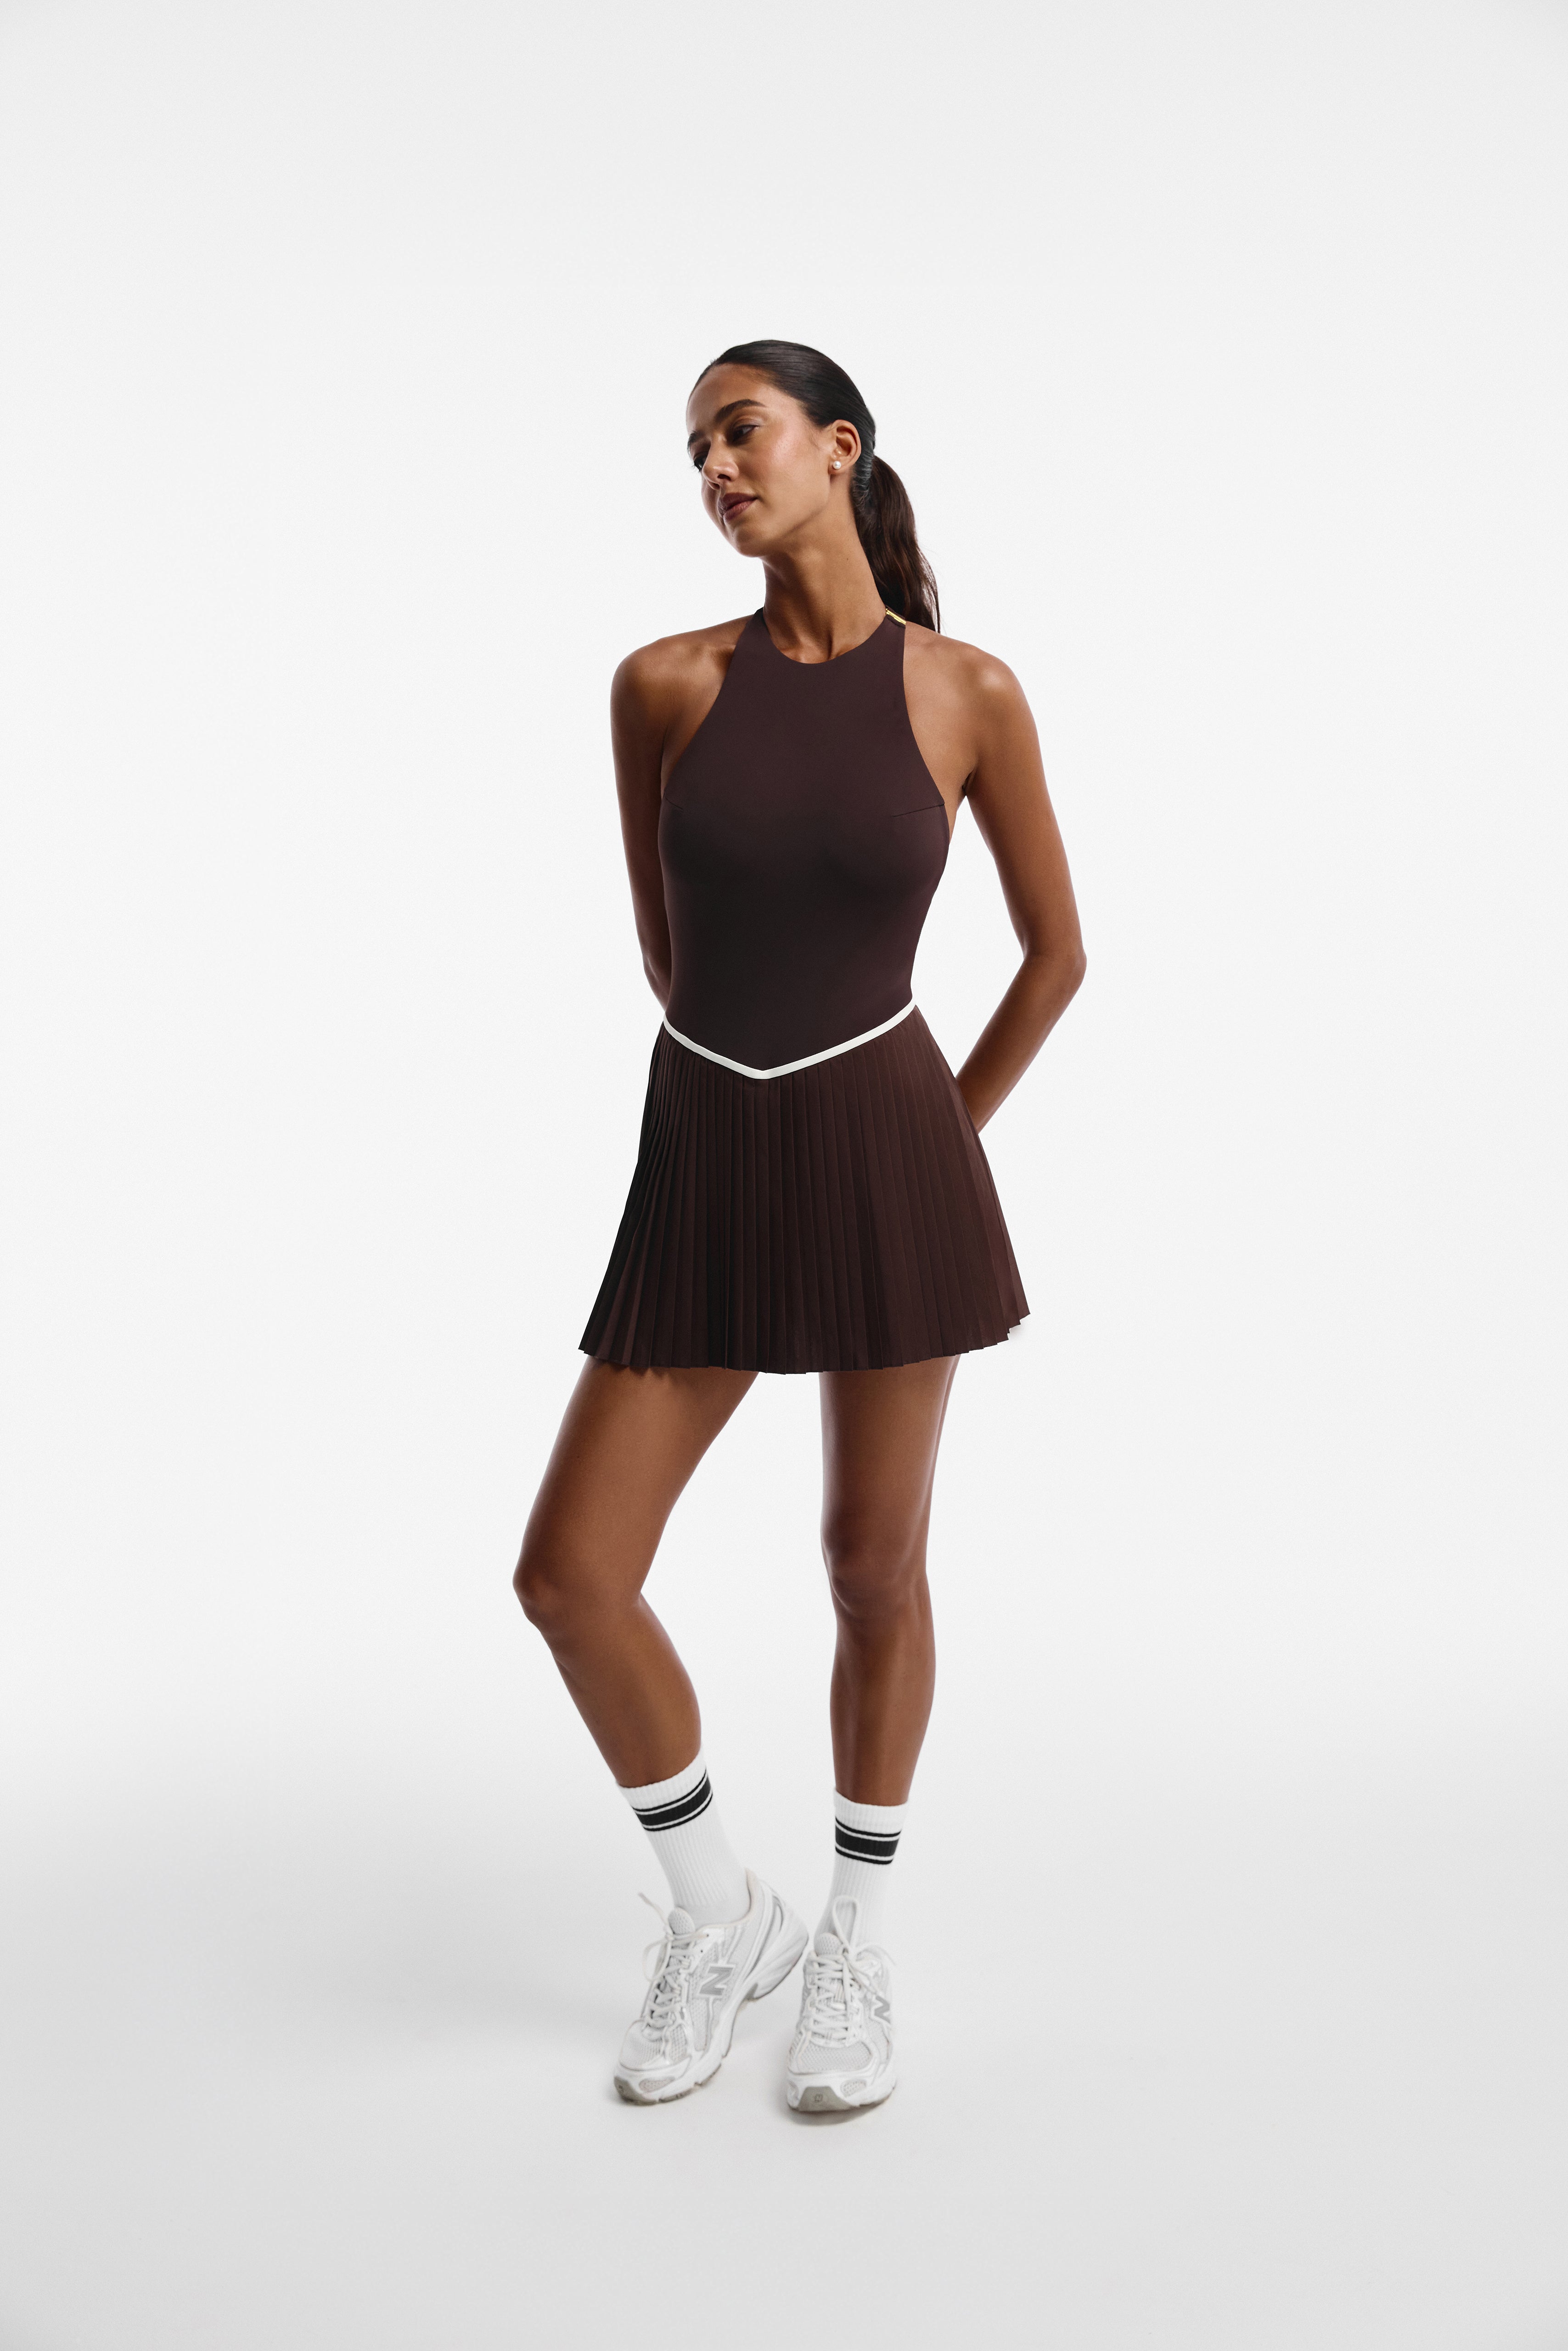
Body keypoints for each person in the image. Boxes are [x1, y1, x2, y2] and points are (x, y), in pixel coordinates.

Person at [514, 340, 1085, 2111]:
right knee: (570, 1575)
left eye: (741, 430)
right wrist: (750, 1100)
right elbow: (667, 950)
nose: (717, 467)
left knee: (869, 1567)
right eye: (697, 447)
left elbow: (1057, 955)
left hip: (887, 1157)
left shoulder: (970, 691)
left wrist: (928, 1141)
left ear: (841, 448)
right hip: (705, 1147)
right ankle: (721, 1913)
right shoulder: (663, 685)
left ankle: (856, 1939)